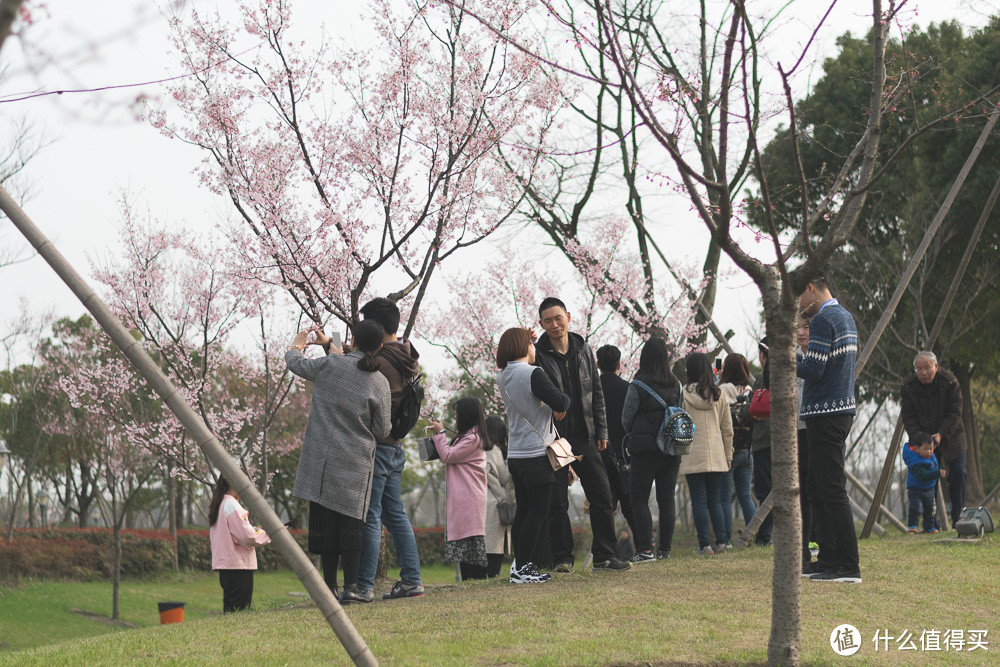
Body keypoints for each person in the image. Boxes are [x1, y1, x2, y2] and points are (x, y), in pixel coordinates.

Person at [286, 320, 391, 603]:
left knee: (326, 522)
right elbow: (382, 431)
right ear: (380, 347)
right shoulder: (379, 381)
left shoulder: (331, 365)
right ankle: (353, 588)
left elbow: (296, 363)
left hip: (321, 458)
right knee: (351, 523)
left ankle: (328, 587)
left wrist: (298, 343)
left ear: (352, 339)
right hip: (356, 462)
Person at [534, 297, 631, 573]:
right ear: (541, 324)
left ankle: (604, 555)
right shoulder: (538, 354)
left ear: (568, 316)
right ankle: (562, 557)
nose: (554, 324)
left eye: (558, 318)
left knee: (601, 493)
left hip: (584, 435)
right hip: (554, 438)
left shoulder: (584, 349)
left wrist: (602, 430)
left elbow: (596, 392)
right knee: (558, 499)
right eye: (548, 320)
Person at [353, 298, 425, 601]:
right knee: (395, 514)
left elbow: (353, 367)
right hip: (395, 446)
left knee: (372, 516)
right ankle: (412, 580)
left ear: (375, 327)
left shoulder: (378, 362)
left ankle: (365, 587)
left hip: (378, 446)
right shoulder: (407, 353)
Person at [797, 274, 861, 584]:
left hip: (827, 413)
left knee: (831, 490)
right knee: (817, 488)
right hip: (838, 411)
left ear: (811, 287)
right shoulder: (845, 316)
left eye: (800, 297)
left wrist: (788, 358)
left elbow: (814, 369)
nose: (799, 305)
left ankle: (848, 566)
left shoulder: (823, 320)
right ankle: (828, 560)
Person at [495, 326, 570, 584]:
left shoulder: (501, 376)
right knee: (538, 512)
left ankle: (519, 565)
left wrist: (530, 341)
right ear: (525, 347)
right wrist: (565, 402)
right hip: (537, 454)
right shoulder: (533, 373)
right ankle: (523, 567)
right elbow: (560, 401)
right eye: (531, 344)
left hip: (516, 454)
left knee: (524, 512)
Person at [621, 336, 683, 561]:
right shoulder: (677, 384)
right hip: (671, 449)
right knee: (667, 500)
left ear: (643, 357)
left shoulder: (638, 385)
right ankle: (665, 550)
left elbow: (626, 419)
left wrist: (639, 429)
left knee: (639, 499)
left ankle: (646, 551)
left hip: (644, 451)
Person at [900, 351, 968, 526]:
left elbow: (955, 411)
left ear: (936, 367)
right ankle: (932, 524)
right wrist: (922, 440)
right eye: (918, 369)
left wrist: (941, 434)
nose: (923, 372)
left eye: (927, 368)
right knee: (928, 480)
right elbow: (908, 418)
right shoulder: (908, 387)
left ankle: (958, 519)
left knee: (958, 474)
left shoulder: (950, 381)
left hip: (951, 435)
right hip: (924, 442)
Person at [429, 398, 490, 580]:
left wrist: (440, 433)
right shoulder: (469, 437)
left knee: (470, 543)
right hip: (466, 497)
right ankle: (470, 581)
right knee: (467, 545)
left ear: (466, 415)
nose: (455, 416)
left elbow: (448, 455)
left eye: (458, 412)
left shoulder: (473, 439)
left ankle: (474, 581)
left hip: (469, 498)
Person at [679, 352, 734, 555]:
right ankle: (721, 542)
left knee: (699, 501)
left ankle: (705, 545)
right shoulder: (720, 395)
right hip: (716, 453)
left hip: (692, 454)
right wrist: (728, 456)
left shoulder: (683, 394)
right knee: (715, 500)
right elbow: (728, 431)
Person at [208, 475, 271, 613]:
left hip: (228, 566)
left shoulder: (220, 504)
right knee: (239, 612)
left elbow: (235, 532)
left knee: (230, 610)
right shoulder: (231, 505)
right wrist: (270, 533)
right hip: (238, 566)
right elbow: (247, 537)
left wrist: (256, 530)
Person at [596, 344, 636, 537]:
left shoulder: (592, 390)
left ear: (597, 364)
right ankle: (642, 547)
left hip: (598, 454)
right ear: (619, 364)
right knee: (630, 505)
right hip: (624, 455)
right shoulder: (628, 389)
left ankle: (606, 550)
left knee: (602, 506)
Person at [717, 353, 755, 547]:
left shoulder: (721, 390)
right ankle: (753, 535)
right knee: (745, 496)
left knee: (724, 498)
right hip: (747, 451)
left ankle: (725, 541)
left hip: (728, 452)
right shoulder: (750, 391)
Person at [745, 338, 773, 546]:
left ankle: (764, 537)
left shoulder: (762, 380)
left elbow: (750, 409)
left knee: (765, 491)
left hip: (764, 441)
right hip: (787, 443)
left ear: (764, 353)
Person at [484, 415, 515, 578]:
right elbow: (503, 477)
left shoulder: (481, 449)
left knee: (488, 543)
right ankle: (493, 575)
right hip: (495, 503)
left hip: (484, 500)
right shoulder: (494, 451)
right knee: (494, 545)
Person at [902, 432, 944, 534]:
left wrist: (934, 439)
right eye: (926, 449)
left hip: (929, 489)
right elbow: (923, 476)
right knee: (915, 507)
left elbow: (931, 443)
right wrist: (937, 473)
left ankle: (929, 527)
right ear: (917, 449)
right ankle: (912, 526)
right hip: (915, 489)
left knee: (930, 509)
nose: (929, 452)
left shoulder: (928, 456)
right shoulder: (916, 462)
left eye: (931, 449)